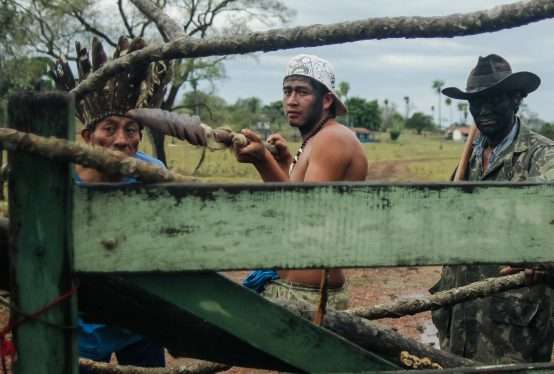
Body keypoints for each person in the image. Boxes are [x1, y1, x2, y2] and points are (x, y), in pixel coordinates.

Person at [51, 36, 206, 372]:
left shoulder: (153, 172)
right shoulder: (59, 181)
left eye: (131, 129)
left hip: (140, 317)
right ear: (87, 137)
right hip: (80, 320)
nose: (122, 140)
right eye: (110, 128)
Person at [430, 54, 554, 364]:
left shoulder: (543, 157)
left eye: (493, 98)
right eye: (476, 101)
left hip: (512, 328)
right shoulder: (469, 156)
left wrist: (544, 259)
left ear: (516, 99)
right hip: (458, 320)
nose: (483, 109)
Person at [237, 54, 368, 310]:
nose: (292, 101)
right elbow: (299, 192)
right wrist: (285, 161)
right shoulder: (316, 139)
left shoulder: (333, 139)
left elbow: (304, 215)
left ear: (327, 99)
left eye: (302, 92)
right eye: (287, 91)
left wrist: (263, 161)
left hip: (308, 295)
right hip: (294, 287)